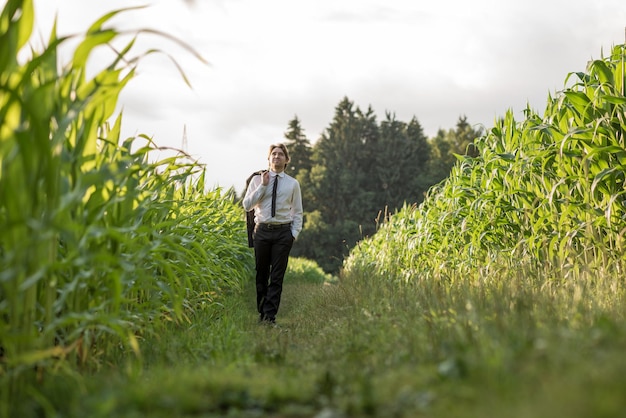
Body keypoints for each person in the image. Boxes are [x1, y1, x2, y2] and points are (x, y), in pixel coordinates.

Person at [242, 143, 303, 325]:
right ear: (268, 159)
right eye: (273, 154)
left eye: (280, 154)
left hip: (283, 233)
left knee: (277, 276)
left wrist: (294, 234)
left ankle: (270, 317)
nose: (276, 157)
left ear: (286, 160)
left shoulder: (293, 184)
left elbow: (298, 212)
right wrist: (263, 186)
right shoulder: (256, 180)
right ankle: (262, 314)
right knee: (261, 275)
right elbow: (247, 205)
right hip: (261, 232)